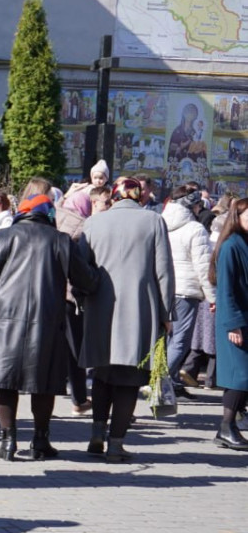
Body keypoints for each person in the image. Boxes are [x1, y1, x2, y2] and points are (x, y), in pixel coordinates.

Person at [0, 194, 96, 460]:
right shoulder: (61, 241)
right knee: (42, 384)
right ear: (48, 214)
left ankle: (8, 441)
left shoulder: (3, 237)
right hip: (47, 323)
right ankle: (40, 441)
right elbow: (88, 281)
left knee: (5, 382)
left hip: (4, 323)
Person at [80, 177, 174, 463]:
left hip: (100, 310)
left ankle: (97, 433)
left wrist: (85, 301)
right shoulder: (153, 221)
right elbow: (164, 272)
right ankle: (116, 443)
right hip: (140, 309)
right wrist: (166, 313)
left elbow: (82, 268)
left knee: (103, 373)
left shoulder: (93, 223)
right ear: (138, 196)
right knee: (129, 379)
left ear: (115, 196)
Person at [163, 186, 215, 399]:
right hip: (186, 291)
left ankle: (169, 384)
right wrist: (212, 297)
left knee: (167, 339)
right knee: (181, 341)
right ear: (192, 204)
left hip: (165, 288)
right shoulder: (195, 229)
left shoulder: (161, 223)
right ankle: (158, 379)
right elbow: (203, 267)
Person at [209, 197, 248, 451]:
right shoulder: (231, 246)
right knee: (238, 376)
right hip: (235, 321)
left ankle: (229, 426)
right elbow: (225, 290)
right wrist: (233, 324)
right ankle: (226, 426)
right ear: (238, 217)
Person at [56, 186, 93, 415]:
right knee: (73, 349)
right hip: (69, 296)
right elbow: (80, 266)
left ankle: (46, 397)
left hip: (47, 296)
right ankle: (79, 399)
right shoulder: (80, 227)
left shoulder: (54, 218)